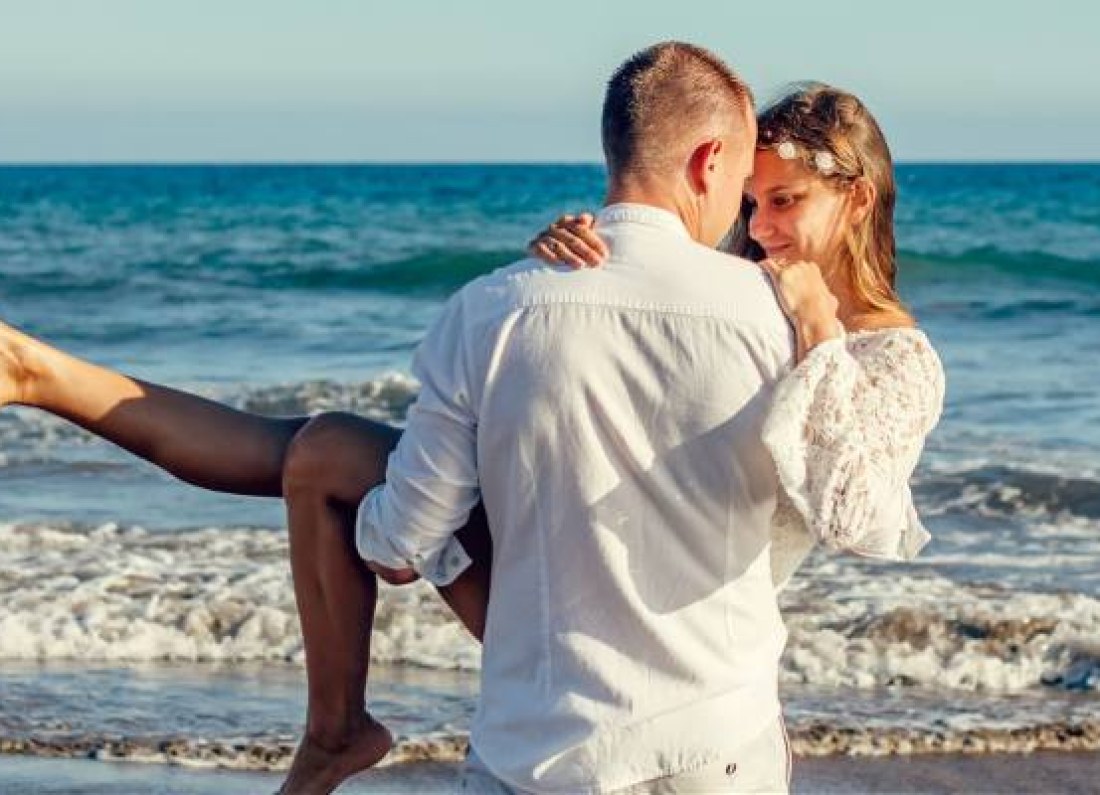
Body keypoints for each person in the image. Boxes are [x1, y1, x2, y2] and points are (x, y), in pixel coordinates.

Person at [530, 81, 946, 590]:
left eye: (784, 200)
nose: (758, 227)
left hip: (717, 631)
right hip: (593, 570)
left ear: (858, 199)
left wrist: (819, 328)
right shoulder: (732, 299)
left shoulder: (901, 360)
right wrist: (585, 259)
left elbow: (849, 516)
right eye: (750, 204)